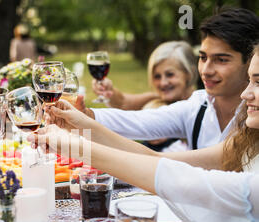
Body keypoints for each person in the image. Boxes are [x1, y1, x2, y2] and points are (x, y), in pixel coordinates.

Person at [28, 44, 259, 222]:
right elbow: (157, 161)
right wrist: (86, 124)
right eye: (250, 80)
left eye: (258, 82)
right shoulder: (247, 141)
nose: (245, 93)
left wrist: (78, 147)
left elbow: (182, 179)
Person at [68, 8, 259, 151]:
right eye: (203, 58)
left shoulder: (254, 116)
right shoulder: (198, 106)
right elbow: (139, 122)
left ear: (250, 62)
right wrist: (86, 114)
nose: (206, 70)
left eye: (221, 60)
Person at [92, 41, 197, 113]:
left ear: (189, 73)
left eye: (170, 74)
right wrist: (108, 90)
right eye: (157, 76)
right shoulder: (157, 100)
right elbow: (123, 103)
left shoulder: (201, 106)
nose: (163, 83)